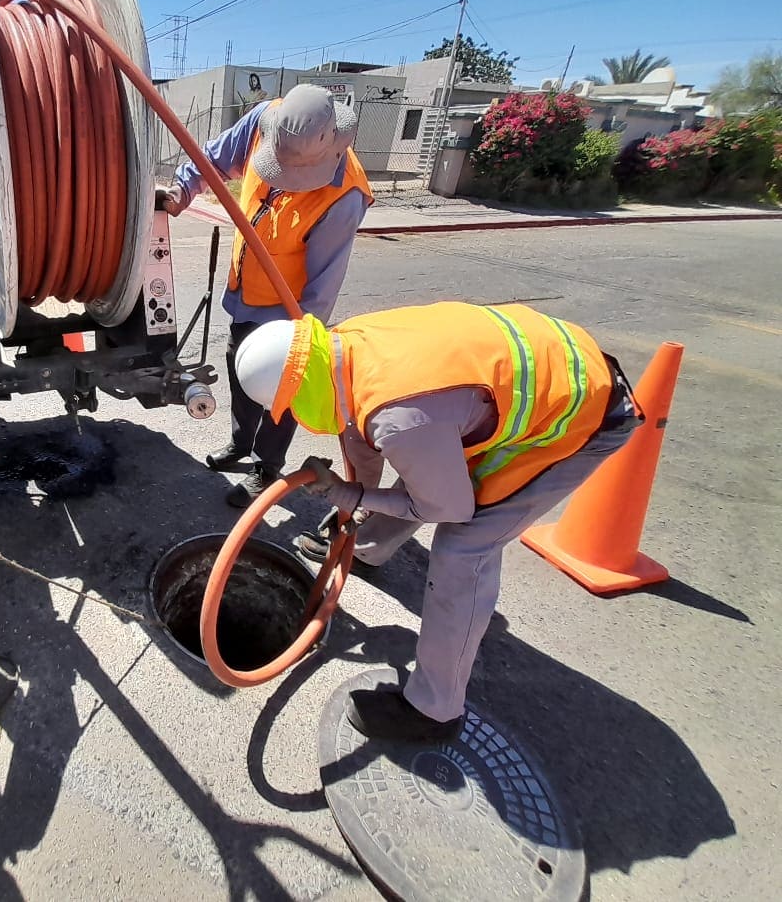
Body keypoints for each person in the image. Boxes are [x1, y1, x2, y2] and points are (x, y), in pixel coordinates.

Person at [230, 302, 643, 741]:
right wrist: (349, 507)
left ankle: (434, 710)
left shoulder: (401, 417)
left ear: (300, 387)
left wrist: (349, 494)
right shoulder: (346, 349)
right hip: (547, 365)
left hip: (579, 415)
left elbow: (445, 506)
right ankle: (371, 549)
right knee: (428, 470)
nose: (292, 415)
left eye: (288, 406)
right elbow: (361, 438)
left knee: (464, 544)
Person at [161, 84, 373, 507]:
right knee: (240, 374)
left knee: (280, 393)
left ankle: (265, 466)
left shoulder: (343, 196)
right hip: (245, 292)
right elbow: (212, 159)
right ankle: (241, 444)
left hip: (288, 311)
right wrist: (182, 191)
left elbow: (323, 286)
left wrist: (298, 344)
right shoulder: (266, 121)